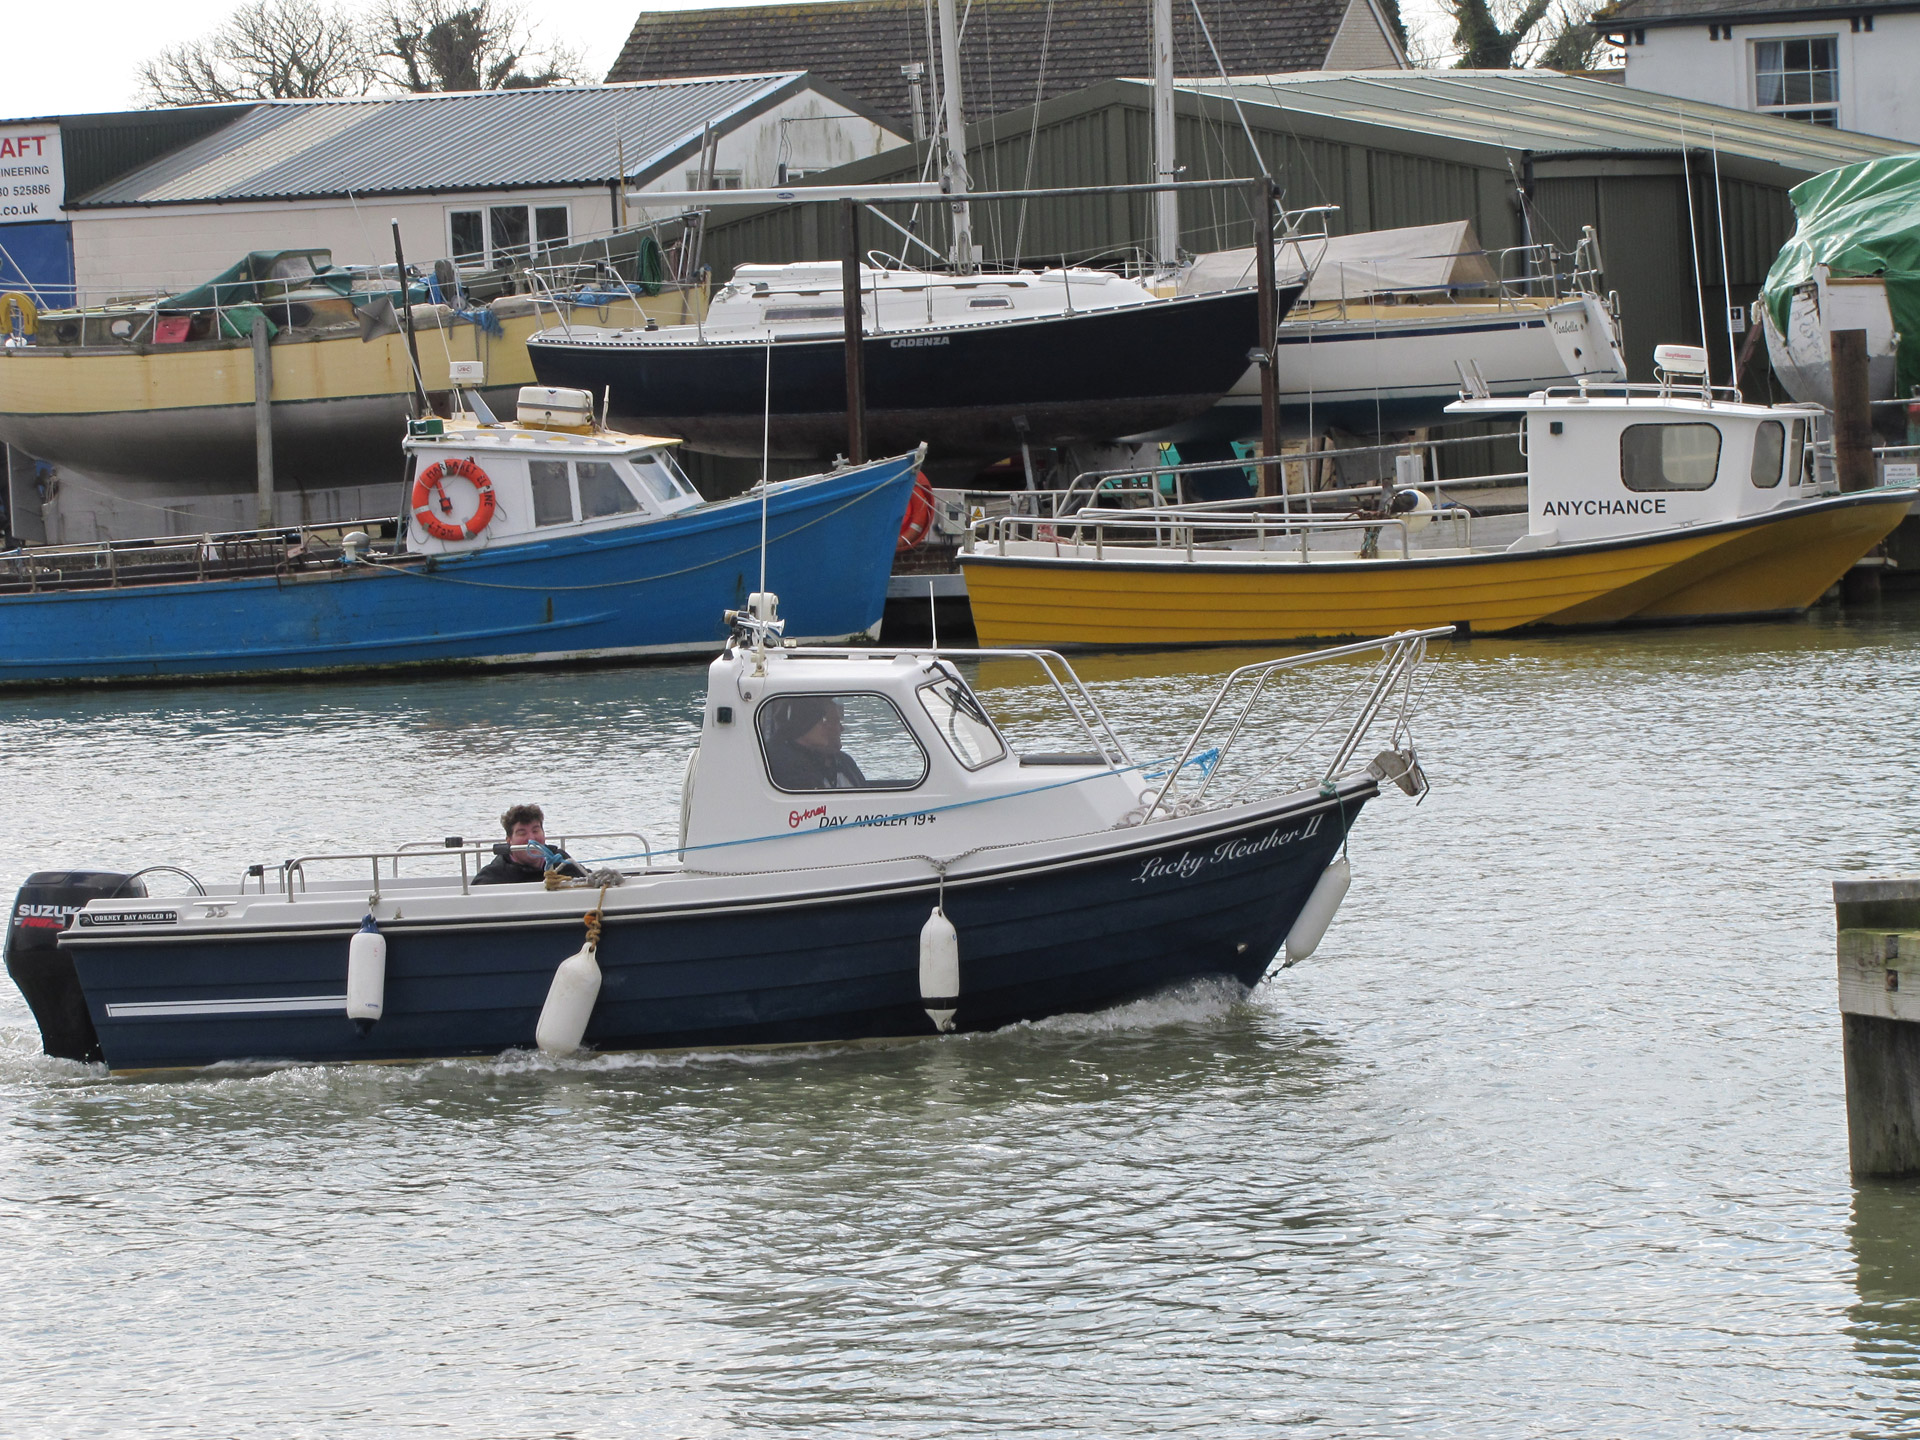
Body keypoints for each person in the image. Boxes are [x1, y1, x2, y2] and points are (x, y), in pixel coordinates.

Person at [762, 696, 867, 791]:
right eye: (822, 721)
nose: (841, 728)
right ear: (804, 724)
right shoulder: (783, 765)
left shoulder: (844, 761)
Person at [473, 803, 586, 884]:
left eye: (535, 831)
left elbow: (591, 880)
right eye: (522, 833)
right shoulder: (493, 877)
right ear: (509, 841)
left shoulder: (561, 861)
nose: (531, 838)